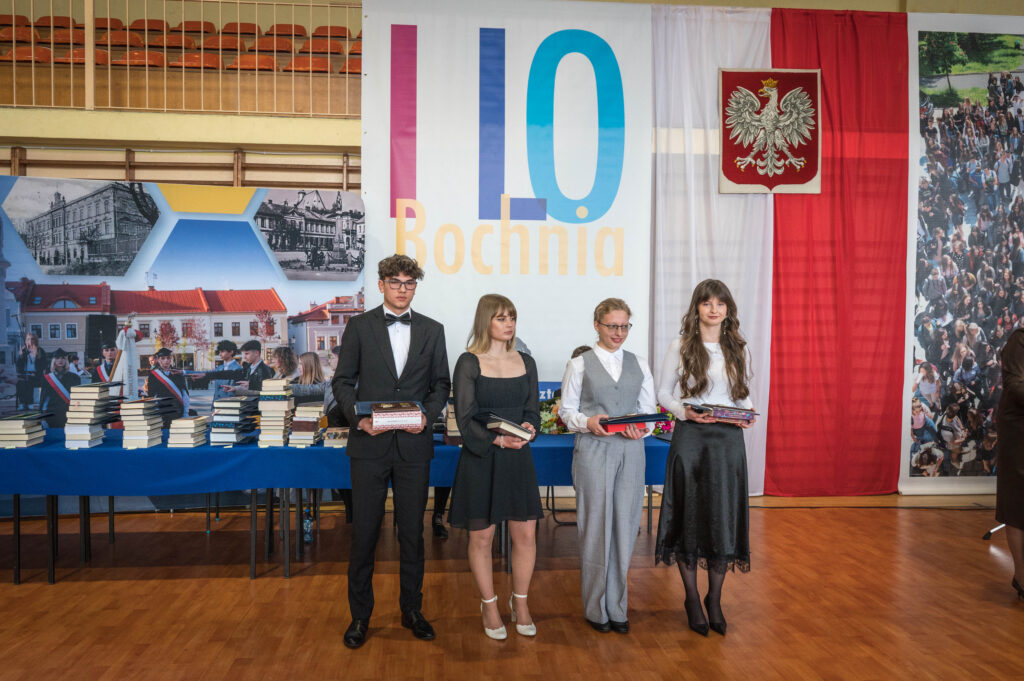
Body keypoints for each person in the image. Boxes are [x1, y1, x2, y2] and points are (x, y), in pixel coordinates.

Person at [332, 254, 451, 649]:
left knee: (413, 534)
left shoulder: (433, 330)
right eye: (395, 282)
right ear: (381, 284)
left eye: (409, 283)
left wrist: (427, 417)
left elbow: (441, 384)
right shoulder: (359, 326)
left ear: (415, 287)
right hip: (369, 445)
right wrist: (358, 419)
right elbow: (342, 382)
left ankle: (412, 610)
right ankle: (360, 617)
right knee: (365, 533)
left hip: (414, 446)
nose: (403, 288)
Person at [656, 279, 756, 637]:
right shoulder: (681, 345)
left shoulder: (737, 347)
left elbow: (741, 394)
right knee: (690, 515)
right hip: (691, 438)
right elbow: (663, 394)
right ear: (696, 308)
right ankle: (691, 599)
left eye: (720, 303)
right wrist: (683, 412)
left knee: (722, 516)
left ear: (728, 309)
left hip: (727, 441)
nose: (714, 309)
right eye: (707, 303)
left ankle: (714, 598)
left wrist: (748, 412)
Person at [559, 298, 656, 634]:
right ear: (597, 325)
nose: (619, 332)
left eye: (625, 326)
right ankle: (596, 608)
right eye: (612, 326)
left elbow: (648, 412)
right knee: (596, 528)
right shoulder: (579, 364)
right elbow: (566, 411)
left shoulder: (639, 363)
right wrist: (588, 422)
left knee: (626, 528)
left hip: (631, 452)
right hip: (594, 449)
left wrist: (642, 428)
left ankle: (617, 606)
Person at [448, 294, 541, 640]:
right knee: (482, 537)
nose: (509, 324)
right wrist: (498, 441)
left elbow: (532, 411)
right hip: (482, 457)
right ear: (485, 321)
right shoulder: (468, 362)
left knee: (526, 535)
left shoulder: (527, 362)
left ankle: (521, 603)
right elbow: (465, 419)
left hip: (518, 457)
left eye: (512, 317)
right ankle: (489, 605)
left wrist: (530, 427)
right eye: (501, 317)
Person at [996, 326, 1024, 601]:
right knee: (1017, 501)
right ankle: (1022, 577)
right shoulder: (1020, 339)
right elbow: (1015, 386)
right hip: (1019, 430)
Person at [324, 345, 354, 523]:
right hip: (335, 439)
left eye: (333, 357)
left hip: (347, 441)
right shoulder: (331, 381)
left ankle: (353, 515)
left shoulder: (353, 384)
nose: (329, 361)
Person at [145, 347, 190, 426]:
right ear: (158, 360)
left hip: (177, 411)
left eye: (168, 358)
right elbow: (152, 396)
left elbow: (184, 394)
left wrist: (185, 413)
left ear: (171, 359)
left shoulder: (177, 373)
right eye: (163, 358)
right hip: (162, 412)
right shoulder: (154, 374)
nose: (166, 361)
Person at [39, 348, 81, 428]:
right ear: (53, 360)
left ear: (66, 360)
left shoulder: (74, 377)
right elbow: (44, 398)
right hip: (52, 412)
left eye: (63, 358)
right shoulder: (47, 378)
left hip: (68, 412)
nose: (60, 360)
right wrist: (42, 416)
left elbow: (77, 397)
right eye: (57, 358)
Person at [14, 333, 46, 410]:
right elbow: (18, 365)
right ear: (26, 341)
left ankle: (30, 403)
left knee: (29, 381)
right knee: (20, 382)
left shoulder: (40, 351)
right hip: (25, 374)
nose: (30, 341)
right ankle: (22, 403)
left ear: (35, 340)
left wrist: (36, 373)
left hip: (36, 375)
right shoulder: (23, 350)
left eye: (32, 339)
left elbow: (43, 365)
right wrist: (21, 355)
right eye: (28, 339)